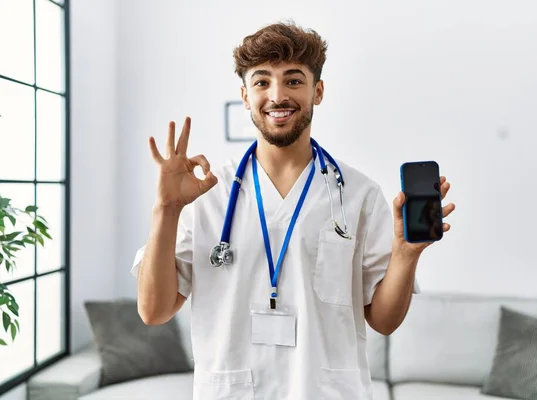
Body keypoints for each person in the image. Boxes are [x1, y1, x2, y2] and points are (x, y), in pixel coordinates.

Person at [131, 21, 455, 400]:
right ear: (245, 95)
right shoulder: (206, 193)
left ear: (318, 91)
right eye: (262, 81)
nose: (278, 95)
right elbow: (153, 311)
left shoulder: (359, 194)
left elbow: (383, 321)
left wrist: (405, 253)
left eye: (294, 80)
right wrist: (165, 209)